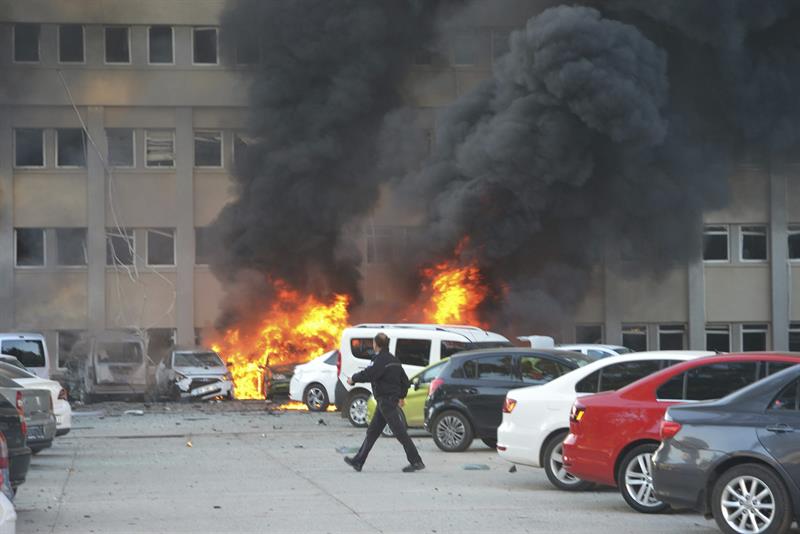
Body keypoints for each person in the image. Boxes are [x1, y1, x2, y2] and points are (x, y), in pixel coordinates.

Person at [344, 333, 425, 473]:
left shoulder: (380, 360)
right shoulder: (394, 360)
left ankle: (416, 461)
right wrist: (401, 396)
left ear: (377, 344)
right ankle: (358, 461)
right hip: (386, 401)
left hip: (386, 402)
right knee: (372, 432)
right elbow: (405, 381)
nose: (373, 345)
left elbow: (369, 374)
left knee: (400, 432)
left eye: (374, 343)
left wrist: (353, 379)